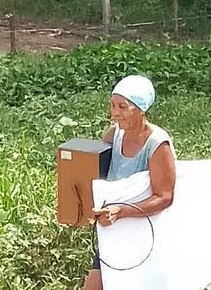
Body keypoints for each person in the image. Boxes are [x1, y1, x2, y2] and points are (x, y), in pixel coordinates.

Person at [82, 75, 176, 290]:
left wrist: (122, 211)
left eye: (123, 107)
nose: (114, 113)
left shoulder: (157, 144)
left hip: (145, 231)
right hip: (114, 229)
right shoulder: (115, 134)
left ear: (141, 109)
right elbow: (96, 168)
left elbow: (165, 197)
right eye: (113, 105)